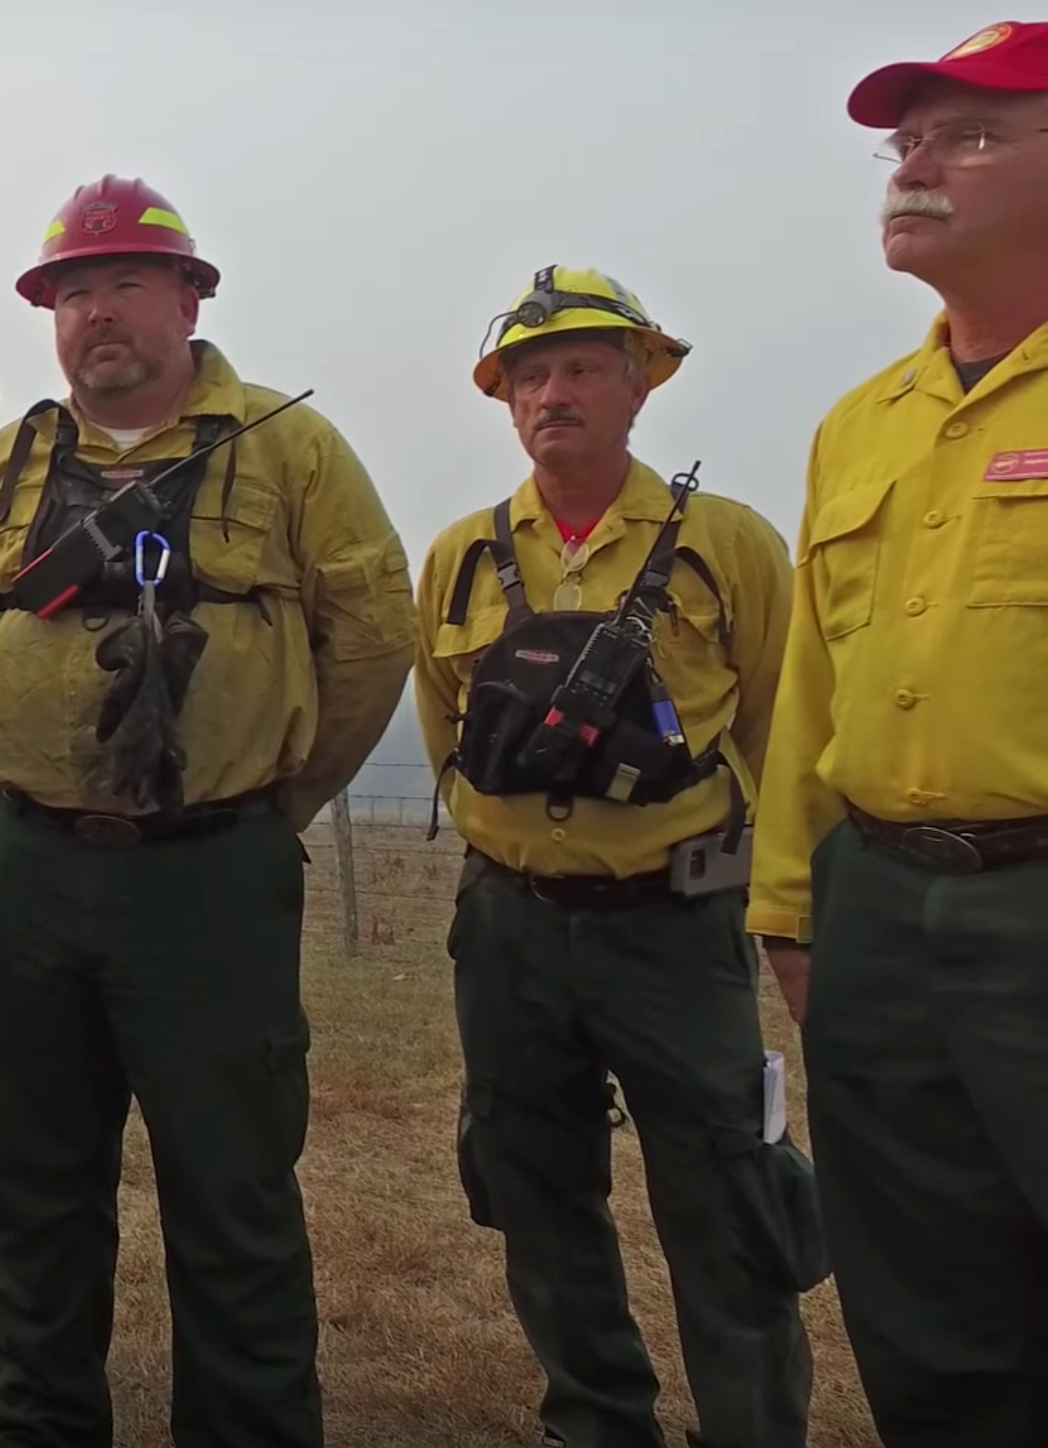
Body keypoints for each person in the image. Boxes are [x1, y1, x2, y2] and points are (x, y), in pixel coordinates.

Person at [0, 175, 416, 1447]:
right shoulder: (5, 464)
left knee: (232, 1192)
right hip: (28, 869)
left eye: (127, 283)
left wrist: (270, 799)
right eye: (71, 291)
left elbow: (371, 637)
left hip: (210, 879)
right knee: (34, 1189)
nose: (98, 312)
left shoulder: (287, 447)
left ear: (191, 297)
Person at [413, 267, 823, 1448]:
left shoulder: (729, 544)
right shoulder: (460, 556)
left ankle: (752, 1429)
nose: (554, 392)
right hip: (508, 927)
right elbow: (446, 731)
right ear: (505, 402)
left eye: (585, 366)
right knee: (534, 1187)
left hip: (675, 925)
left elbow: (779, 730)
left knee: (725, 1196)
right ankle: (595, 1420)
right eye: (530, 374)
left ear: (641, 383)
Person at [750, 18, 1048, 1448]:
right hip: (877, 911)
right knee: (929, 1321)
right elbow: (813, 681)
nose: (917, 168)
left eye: (971, 137)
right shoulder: (860, 423)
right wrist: (794, 909)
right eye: (905, 142)